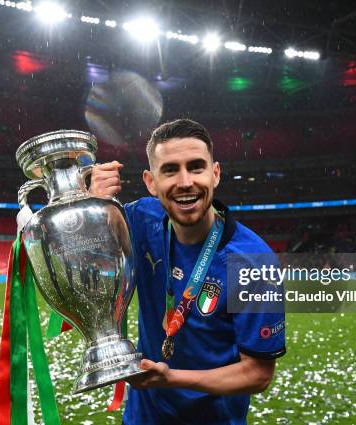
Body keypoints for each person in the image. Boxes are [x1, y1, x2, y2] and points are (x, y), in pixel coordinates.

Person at [89, 119, 286, 425]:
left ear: (215, 173)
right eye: (169, 170)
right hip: (142, 418)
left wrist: (171, 378)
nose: (185, 182)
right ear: (150, 182)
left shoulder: (254, 261)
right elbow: (85, 258)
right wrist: (93, 205)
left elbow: (258, 374)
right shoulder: (140, 219)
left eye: (196, 167)